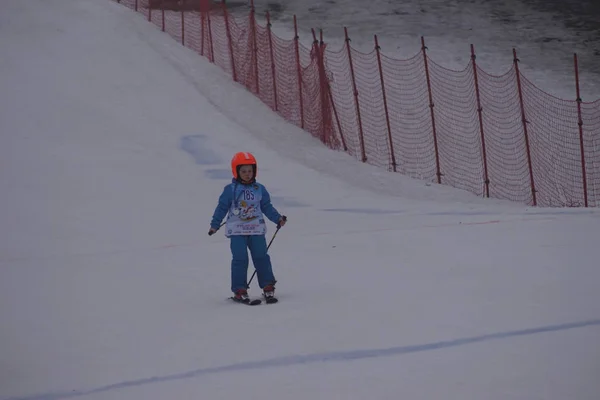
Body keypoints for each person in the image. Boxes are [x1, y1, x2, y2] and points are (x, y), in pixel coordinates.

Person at [209, 152, 287, 304]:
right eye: (243, 171)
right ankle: (240, 290)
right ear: (236, 171)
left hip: (256, 229)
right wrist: (215, 225)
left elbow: (266, 206)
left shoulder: (259, 189)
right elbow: (222, 208)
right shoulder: (230, 189)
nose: (247, 174)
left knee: (261, 257)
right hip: (237, 231)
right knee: (240, 258)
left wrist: (277, 218)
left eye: (250, 171)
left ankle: (268, 286)